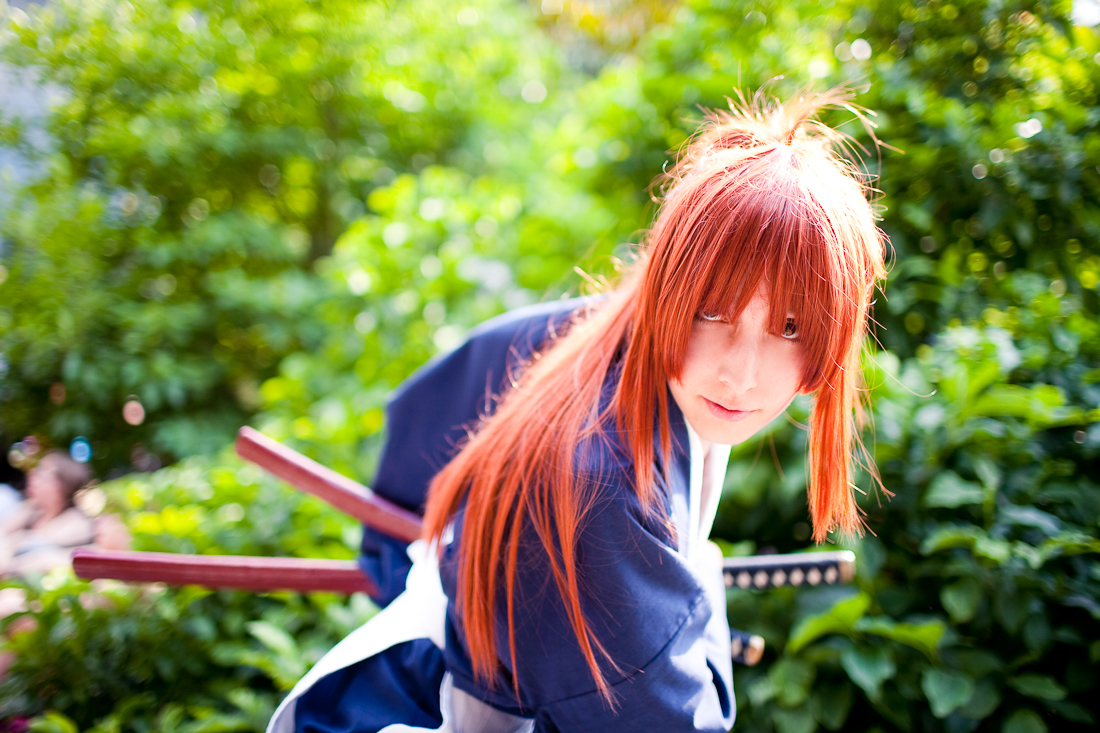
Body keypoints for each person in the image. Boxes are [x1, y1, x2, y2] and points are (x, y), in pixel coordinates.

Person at [270, 88, 888, 733]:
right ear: (666, 286)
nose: (743, 371)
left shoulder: (598, 328)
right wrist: (691, 582)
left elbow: (432, 409)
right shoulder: (600, 484)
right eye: (713, 311)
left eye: (790, 327)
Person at [0, 450, 96, 576]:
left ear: (60, 486)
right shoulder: (29, 512)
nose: (32, 475)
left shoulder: (79, 526)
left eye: (41, 471)